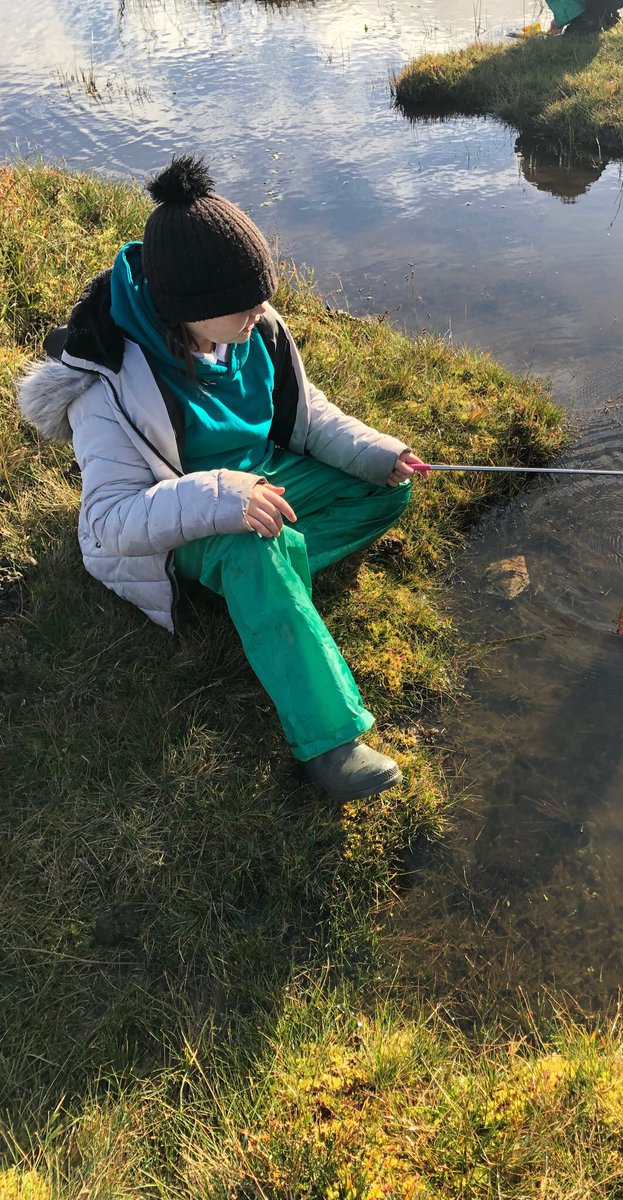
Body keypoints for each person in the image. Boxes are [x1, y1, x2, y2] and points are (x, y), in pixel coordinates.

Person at [17, 155, 429, 804]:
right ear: (186, 309)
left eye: (260, 294)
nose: (261, 310)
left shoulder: (255, 328)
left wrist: (381, 453)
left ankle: (264, 587)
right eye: (242, 302)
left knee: (383, 488)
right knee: (255, 548)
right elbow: (110, 522)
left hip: (260, 484)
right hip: (181, 521)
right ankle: (329, 744)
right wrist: (223, 498)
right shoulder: (109, 383)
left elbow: (307, 414)